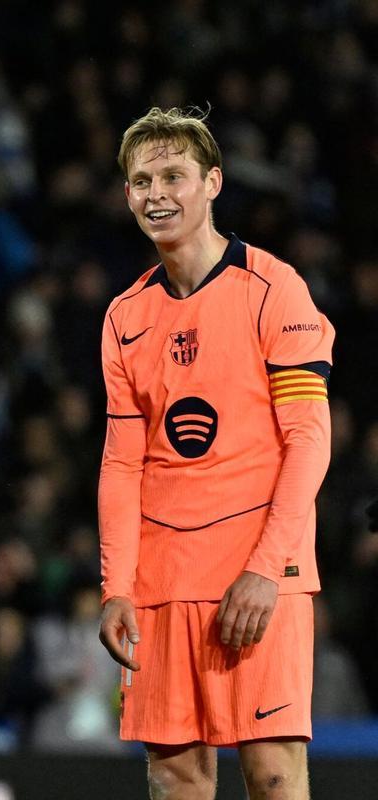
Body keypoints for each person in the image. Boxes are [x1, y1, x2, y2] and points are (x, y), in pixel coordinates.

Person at [97, 107, 333, 800]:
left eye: (174, 175)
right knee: (176, 779)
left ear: (213, 184)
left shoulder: (275, 289)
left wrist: (267, 568)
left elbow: (309, 441)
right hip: (163, 582)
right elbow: (121, 463)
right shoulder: (123, 316)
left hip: (259, 572)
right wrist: (117, 585)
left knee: (274, 775)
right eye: (142, 180)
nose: (156, 193)